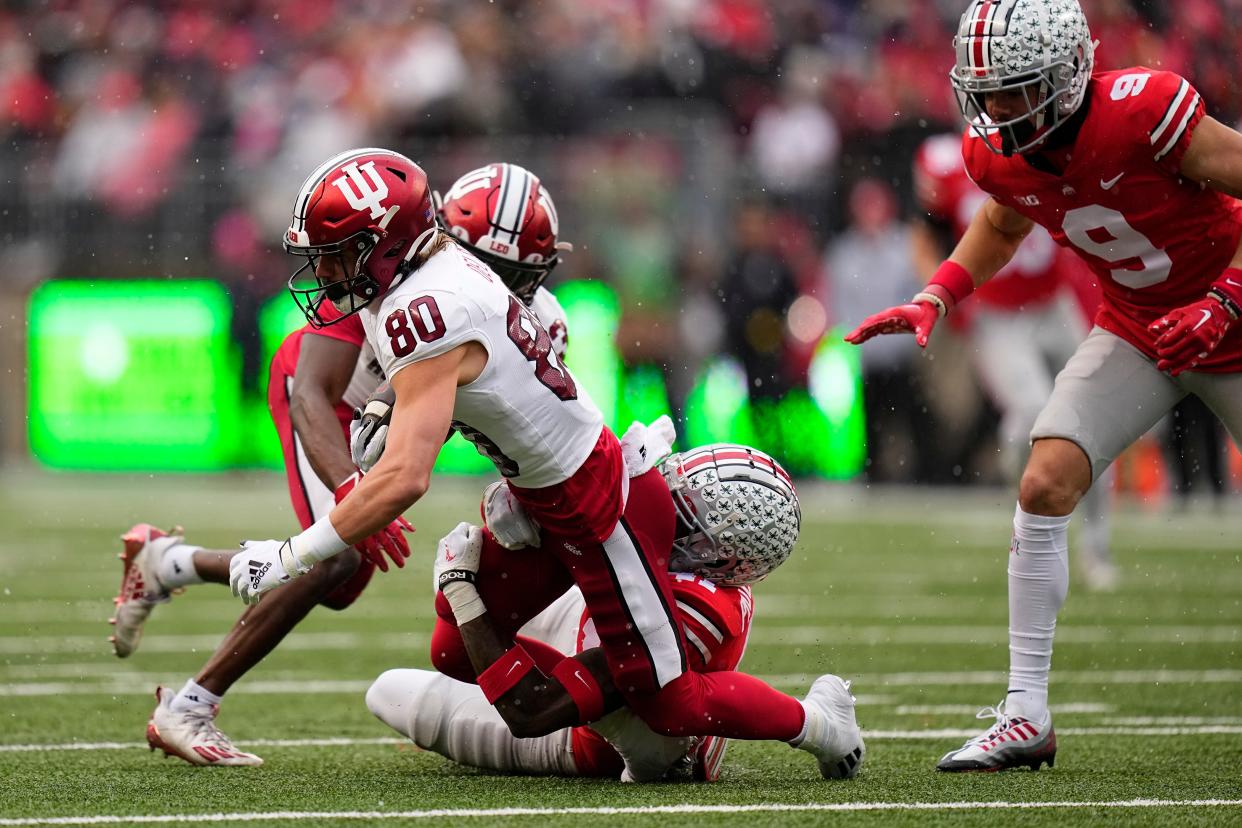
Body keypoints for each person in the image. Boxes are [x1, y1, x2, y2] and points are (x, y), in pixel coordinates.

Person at [234, 147, 864, 779]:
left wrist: (290, 555)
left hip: (602, 514)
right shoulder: (431, 270)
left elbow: (405, 477)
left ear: (386, 245)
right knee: (453, 646)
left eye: (337, 252)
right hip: (544, 500)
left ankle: (816, 723)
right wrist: (380, 406)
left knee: (672, 703)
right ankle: (619, 703)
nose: (326, 270)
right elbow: (462, 375)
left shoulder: (423, 307)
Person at [846, 0, 1242, 772]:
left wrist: (1225, 300)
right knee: (1045, 478)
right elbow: (1002, 223)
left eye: (1014, 89)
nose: (993, 108)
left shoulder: (1144, 111)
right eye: (984, 90)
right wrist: (938, 295)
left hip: (1233, 316)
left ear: (1066, 76)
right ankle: (1026, 713)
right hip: (1138, 327)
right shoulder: (999, 153)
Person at [110, 160, 575, 766]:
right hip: (332, 408)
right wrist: (357, 489)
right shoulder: (394, 280)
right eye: (479, 260)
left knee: (339, 584)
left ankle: (167, 563)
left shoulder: (534, 320)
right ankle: (189, 706)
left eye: (512, 273)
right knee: (340, 556)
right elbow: (310, 393)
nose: (490, 280)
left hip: (381, 430)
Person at [367, 442, 798, 783]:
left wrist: (459, 588)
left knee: (391, 691)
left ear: (716, 559)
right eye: (675, 487)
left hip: (584, 733)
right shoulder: (671, 547)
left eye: (684, 514)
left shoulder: (696, 609)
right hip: (592, 623)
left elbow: (531, 708)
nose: (665, 502)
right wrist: (522, 507)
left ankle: (674, 744)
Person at [912, 133, 1116, 588]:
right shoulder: (947, 160)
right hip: (999, 315)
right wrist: (941, 294)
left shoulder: (1046, 138)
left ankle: (1096, 548)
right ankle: (1026, 501)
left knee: (1095, 418)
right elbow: (924, 232)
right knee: (1031, 416)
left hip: (1053, 304)